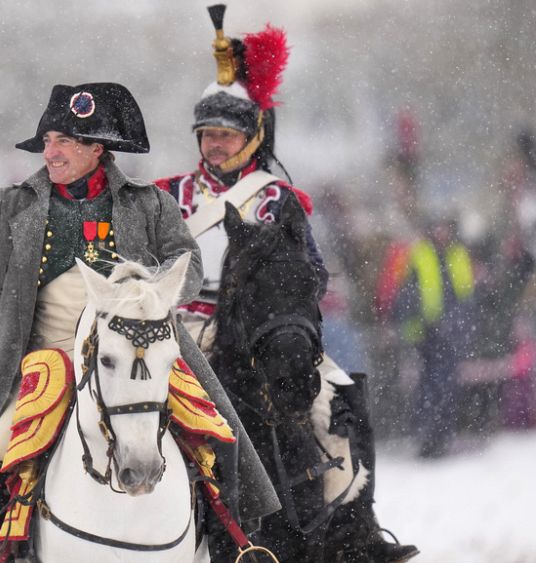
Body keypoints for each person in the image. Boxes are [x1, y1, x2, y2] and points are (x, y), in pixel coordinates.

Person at [0, 81, 280, 562]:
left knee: (218, 431)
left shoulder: (149, 203)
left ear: (96, 149)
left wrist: (151, 290)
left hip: (135, 350)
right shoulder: (15, 204)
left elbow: (187, 266)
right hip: (47, 361)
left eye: (64, 141)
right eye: (47, 141)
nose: (51, 151)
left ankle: (235, 546)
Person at [153, 6, 418, 562]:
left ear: (252, 137)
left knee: (339, 404)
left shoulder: (279, 200)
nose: (215, 145)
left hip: (257, 336)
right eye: (208, 135)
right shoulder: (165, 195)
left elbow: (312, 272)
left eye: (227, 134)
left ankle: (354, 532)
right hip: (178, 330)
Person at [394, 216, 475, 458]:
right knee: (428, 384)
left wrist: (455, 323)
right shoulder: (418, 254)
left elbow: (466, 294)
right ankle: (427, 435)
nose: (441, 233)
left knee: (445, 383)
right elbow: (406, 292)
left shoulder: (458, 255)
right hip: (424, 333)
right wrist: (420, 319)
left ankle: (440, 434)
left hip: (449, 334)